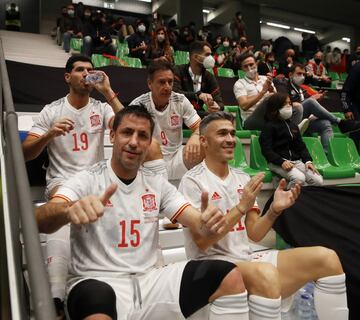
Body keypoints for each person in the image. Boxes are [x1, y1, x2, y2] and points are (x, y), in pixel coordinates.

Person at [35, 105, 249, 320]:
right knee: (96, 304)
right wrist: (68, 211)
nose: (134, 142)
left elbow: (196, 222)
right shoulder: (87, 178)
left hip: (150, 281)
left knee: (228, 275)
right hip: (98, 281)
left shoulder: (157, 184)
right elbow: (41, 219)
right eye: (127, 132)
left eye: (143, 136)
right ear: (112, 136)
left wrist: (205, 222)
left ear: (149, 144)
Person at [179, 111, 349, 320]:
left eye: (232, 133)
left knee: (327, 258)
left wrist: (273, 211)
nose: (231, 139)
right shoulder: (192, 181)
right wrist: (241, 207)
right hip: (210, 265)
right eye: (222, 134)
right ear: (203, 141)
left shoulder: (242, 177)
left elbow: (254, 233)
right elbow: (202, 242)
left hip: (245, 258)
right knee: (265, 274)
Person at [22, 55, 123, 315]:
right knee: (61, 210)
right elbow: (25, 153)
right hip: (63, 180)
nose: (86, 74)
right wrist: (49, 134)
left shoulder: (101, 109)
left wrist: (109, 91)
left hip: (95, 181)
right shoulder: (52, 110)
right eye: (80, 70)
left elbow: (128, 127)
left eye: (90, 70)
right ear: (68, 77)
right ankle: (55, 294)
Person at [130, 59, 203, 181]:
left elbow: (201, 126)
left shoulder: (180, 100)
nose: (167, 87)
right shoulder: (139, 105)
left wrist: (196, 136)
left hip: (176, 157)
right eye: (162, 82)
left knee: (204, 143)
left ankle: (198, 188)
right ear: (150, 84)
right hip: (150, 162)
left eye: (170, 82)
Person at [275, 63, 360, 152]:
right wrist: (311, 100)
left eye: (304, 74)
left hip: (303, 122)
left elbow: (309, 107)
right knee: (311, 101)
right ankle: (339, 122)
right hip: (289, 119)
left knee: (325, 124)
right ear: (290, 75)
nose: (302, 77)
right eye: (299, 74)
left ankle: (326, 155)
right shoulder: (283, 84)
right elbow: (284, 103)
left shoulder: (302, 89)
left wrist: (317, 100)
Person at [259, 93, 323, 187]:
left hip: (296, 161)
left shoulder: (293, 126)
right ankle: (288, 199)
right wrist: (281, 162)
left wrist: (307, 161)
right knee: (299, 178)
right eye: (285, 104)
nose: (289, 106)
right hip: (276, 162)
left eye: (290, 103)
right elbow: (266, 150)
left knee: (318, 180)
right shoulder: (269, 126)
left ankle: (307, 199)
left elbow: (300, 146)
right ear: (276, 106)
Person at [173, 41, 224, 117]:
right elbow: (175, 93)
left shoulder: (209, 76)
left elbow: (219, 101)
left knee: (223, 116)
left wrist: (216, 106)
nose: (211, 58)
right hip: (179, 113)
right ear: (196, 57)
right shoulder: (178, 70)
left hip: (198, 114)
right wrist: (197, 95)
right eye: (207, 55)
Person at [233, 53, 278, 131]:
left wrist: (270, 88)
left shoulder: (265, 79)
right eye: (245, 66)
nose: (249, 68)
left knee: (297, 107)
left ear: (256, 64)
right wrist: (262, 92)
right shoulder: (239, 83)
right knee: (269, 97)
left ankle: (292, 128)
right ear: (242, 69)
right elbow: (244, 106)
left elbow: (278, 101)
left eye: (251, 64)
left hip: (270, 116)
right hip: (251, 120)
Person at [341, 61, 360, 150]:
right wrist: (347, 109)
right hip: (356, 105)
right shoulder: (357, 67)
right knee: (356, 132)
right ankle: (355, 159)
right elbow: (345, 91)